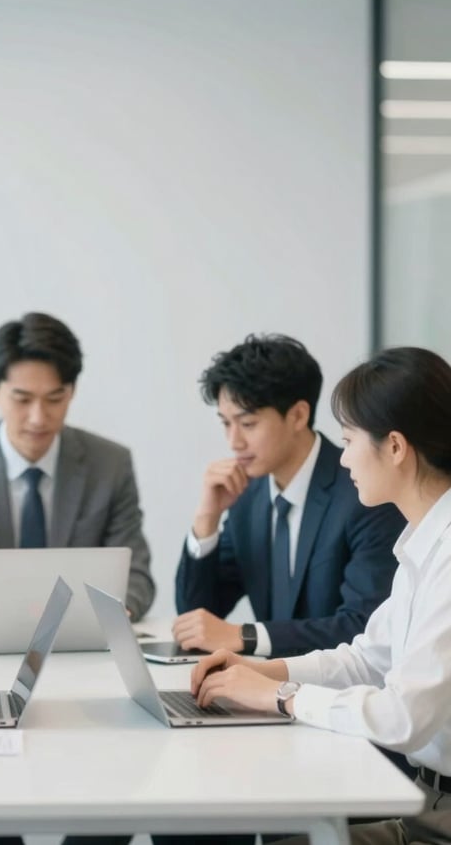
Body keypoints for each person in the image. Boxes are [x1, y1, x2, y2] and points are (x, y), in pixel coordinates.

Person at [190, 346, 451, 845]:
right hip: (425, 806)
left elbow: (403, 719)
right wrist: (264, 671)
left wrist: (280, 697)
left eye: (350, 439)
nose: (344, 454)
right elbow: (368, 658)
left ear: (394, 447)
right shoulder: (423, 543)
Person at [0, 311, 155, 625]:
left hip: (82, 642)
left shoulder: (109, 465)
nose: (38, 417)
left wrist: (109, 613)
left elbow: (136, 577)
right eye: (22, 399)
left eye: (54, 398)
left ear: (72, 391)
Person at [174, 334, 404, 659]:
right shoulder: (247, 496)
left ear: (297, 415)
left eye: (248, 423)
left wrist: (247, 636)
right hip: (267, 692)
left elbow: (363, 626)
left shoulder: (364, 493)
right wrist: (205, 520)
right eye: (226, 424)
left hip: (338, 695)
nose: (233, 441)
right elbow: (197, 619)